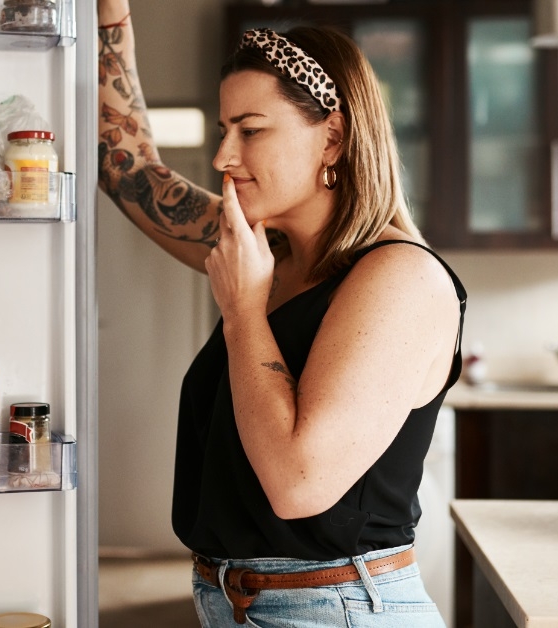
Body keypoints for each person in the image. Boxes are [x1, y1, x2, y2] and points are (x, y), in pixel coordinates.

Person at [97, 2, 466, 626]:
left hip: (336, 609)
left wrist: (244, 311)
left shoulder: (401, 278)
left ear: (335, 136)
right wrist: (110, 17)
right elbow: (127, 168)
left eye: (251, 129)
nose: (222, 157)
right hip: (236, 602)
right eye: (222, 130)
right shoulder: (264, 250)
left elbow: (299, 483)